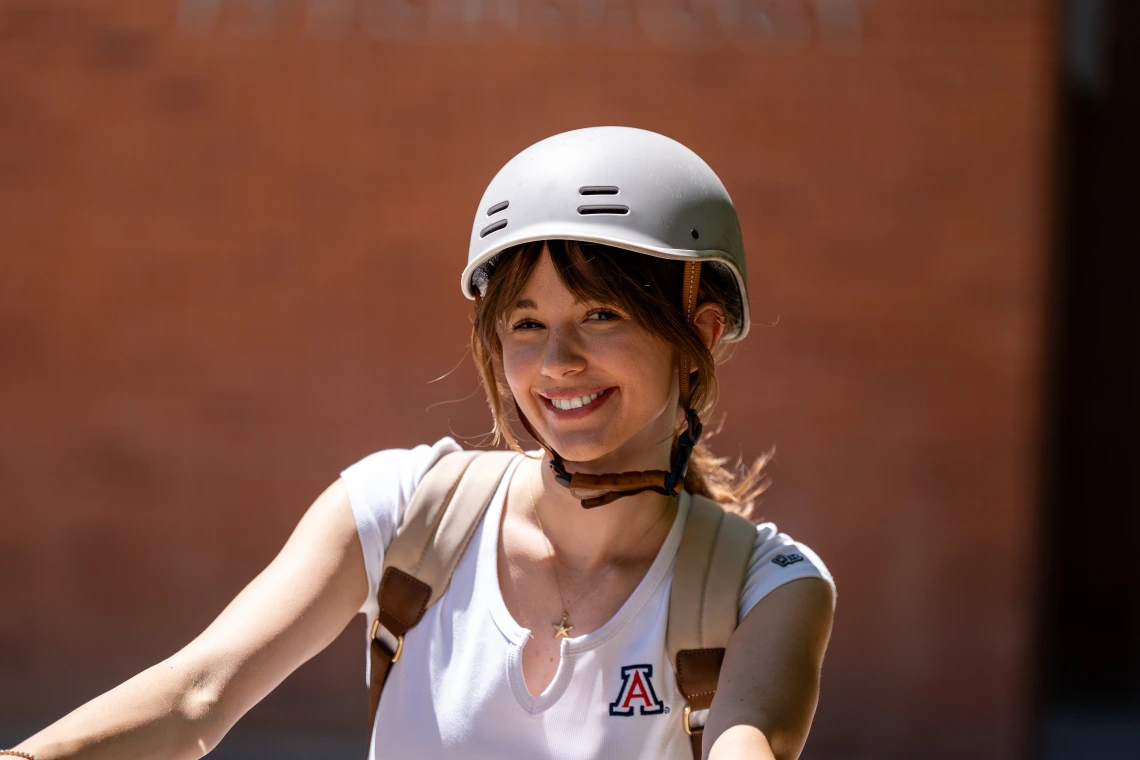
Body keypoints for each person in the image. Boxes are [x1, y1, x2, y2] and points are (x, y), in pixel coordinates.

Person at [4, 127, 835, 760]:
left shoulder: (768, 587)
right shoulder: (405, 510)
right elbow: (197, 698)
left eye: (602, 314)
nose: (557, 363)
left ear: (699, 332)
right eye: (526, 324)